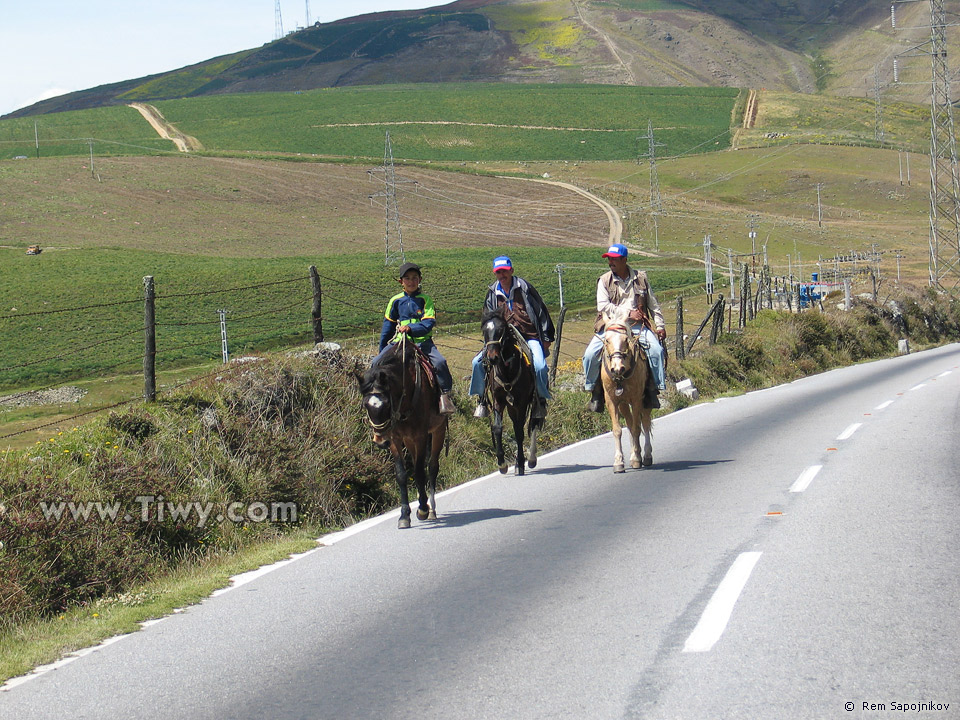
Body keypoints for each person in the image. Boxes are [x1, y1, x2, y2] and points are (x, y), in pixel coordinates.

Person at [582, 243, 667, 412]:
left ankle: (653, 389)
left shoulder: (641, 278)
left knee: (656, 351)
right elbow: (603, 306)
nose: (611, 263)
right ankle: (595, 391)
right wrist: (628, 314)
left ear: (624, 260)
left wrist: (660, 326)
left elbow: (653, 304)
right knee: (590, 355)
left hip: (637, 327)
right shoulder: (604, 281)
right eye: (609, 259)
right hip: (611, 326)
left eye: (614, 259)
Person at [469, 255, 555, 419]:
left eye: (505, 271)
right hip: (501, 339)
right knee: (476, 363)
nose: (502, 275)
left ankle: (540, 400)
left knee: (540, 366)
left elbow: (541, 311)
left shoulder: (525, 289)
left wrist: (546, 337)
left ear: (511, 271)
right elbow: (488, 319)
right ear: (495, 274)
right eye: (499, 272)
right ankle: (481, 400)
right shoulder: (492, 293)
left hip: (529, 335)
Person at [375, 261, 456, 415]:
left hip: (422, 342)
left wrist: (411, 328)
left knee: (440, 362)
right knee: (375, 363)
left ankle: (445, 396)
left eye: (414, 278)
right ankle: (378, 397)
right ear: (401, 282)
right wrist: (381, 351)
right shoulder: (395, 301)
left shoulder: (425, 300)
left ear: (420, 279)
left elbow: (428, 323)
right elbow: (387, 327)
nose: (411, 282)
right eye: (407, 278)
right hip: (399, 342)